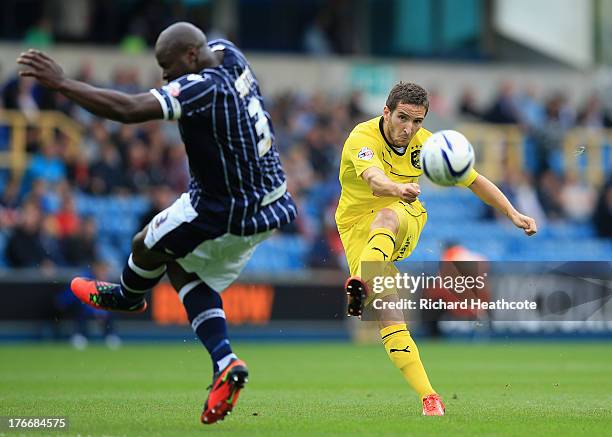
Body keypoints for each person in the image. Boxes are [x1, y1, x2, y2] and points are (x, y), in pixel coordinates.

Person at [18, 22, 297, 424]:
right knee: (183, 267)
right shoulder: (228, 53)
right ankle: (225, 363)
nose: (163, 76)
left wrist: (62, 84)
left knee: (145, 243)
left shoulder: (203, 87)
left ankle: (127, 297)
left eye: (167, 67)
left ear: (189, 56)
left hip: (225, 206)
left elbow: (130, 110)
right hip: (270, 198)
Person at [335, 82, 537, 416]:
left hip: (403, 215)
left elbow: (475, 180)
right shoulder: (362, 137)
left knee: (386, 216)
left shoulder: (426, 144)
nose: (409, 128)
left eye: (417, 122)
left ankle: (364, 280)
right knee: (390, 313)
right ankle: (430, 397)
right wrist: (397, 187)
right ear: (386, 112)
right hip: (356, 227)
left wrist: (512, 213)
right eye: (402, 118)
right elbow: (374, 180)